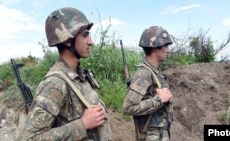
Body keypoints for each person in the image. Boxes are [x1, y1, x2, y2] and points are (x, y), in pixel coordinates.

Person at [22, 7, 112, 141]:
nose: (90, 42)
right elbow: (31, 138)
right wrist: (83, 124)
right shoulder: (55, 84)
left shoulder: (79, 75)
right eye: (85, 35)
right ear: (67, 40)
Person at [123, 26, 173, 141]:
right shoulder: (144, 74)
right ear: (155, 48)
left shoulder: (154, 72)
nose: (168, 50)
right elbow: (128, 107)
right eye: (165, 46)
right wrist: (159, 100)